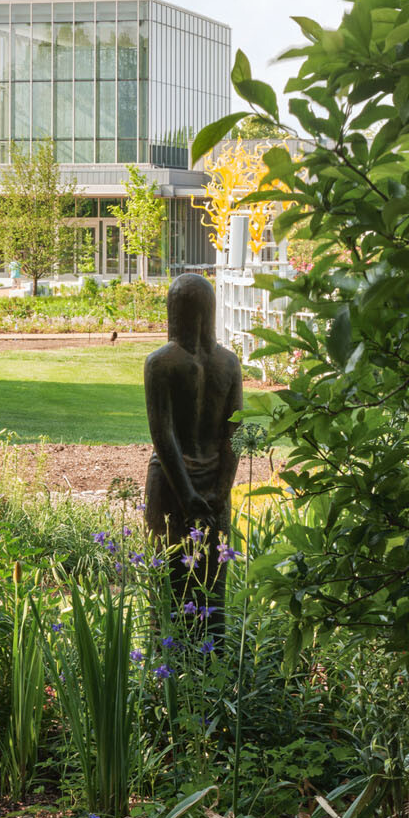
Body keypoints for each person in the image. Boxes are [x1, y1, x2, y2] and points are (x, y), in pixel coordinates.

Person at [143, 273, 241, 636]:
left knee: (168, 585)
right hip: (213, 484)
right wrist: (220, 491)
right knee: (212, 586)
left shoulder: (160, 362)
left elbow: (163, 434)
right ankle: (212, 663)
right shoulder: (229, 363)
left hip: (171, 484)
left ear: (174, 310)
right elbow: (234, 433)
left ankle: (166, 666)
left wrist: (186, 495)